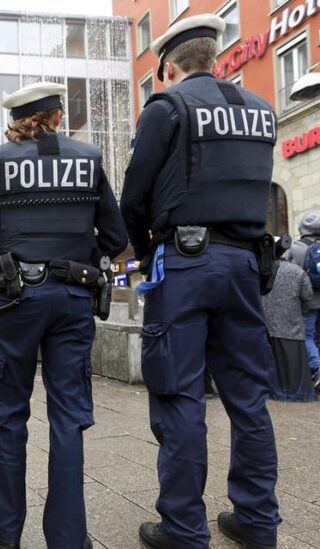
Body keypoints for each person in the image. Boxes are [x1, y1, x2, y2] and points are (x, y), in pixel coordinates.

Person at [120, 15, 281, 549]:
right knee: (248, 399)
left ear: (168, 66)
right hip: (244, 268)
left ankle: (184, 528)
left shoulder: (167, 108)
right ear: (214, 57)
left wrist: (147, 254)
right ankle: (257, 521)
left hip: (185, 266)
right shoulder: (262, 112)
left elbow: (134, 199)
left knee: (179, 395)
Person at [0, 81, 127, 549]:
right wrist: (77, 261)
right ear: (58, 117)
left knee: (8, 415)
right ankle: (69, 538)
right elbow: (115, 236)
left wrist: (6, 263)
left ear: (19, 121)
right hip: (73, 298)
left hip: (16, 301)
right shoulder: (89, 160)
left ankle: (5, 529)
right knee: (69, 417)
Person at [262, 254, 316, 402]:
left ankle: (275, 391)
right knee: (293, 361)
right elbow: (307, 295)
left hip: (268, 322)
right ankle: (296, 393)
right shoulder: (298, 271)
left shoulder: (263, 270)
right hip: (291, 323)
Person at [288, 212, 320, 389]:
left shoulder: (296, 247)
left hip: (308, 301)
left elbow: (290, 274)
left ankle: (317, 368)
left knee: (307, 335)